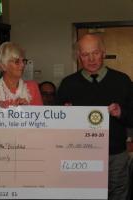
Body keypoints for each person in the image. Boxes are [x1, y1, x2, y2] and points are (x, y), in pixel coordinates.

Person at [57, 33, 133, 200]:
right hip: (80, 156)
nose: (91, 59)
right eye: (85, 54)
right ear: (78, 57)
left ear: (103, 52)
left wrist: (121, 113)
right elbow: (56, 126)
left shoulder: (122, 81)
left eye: (95, 53)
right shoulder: (67, 84)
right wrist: (64, 115)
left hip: (115, 156)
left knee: (118, 196)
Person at [0, 42, 43, 106]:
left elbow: (41, 115)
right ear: (3, 66)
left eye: (23, 61)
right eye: (17, 61)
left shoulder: (32, 87)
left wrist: (27, 109)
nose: (22, 65)